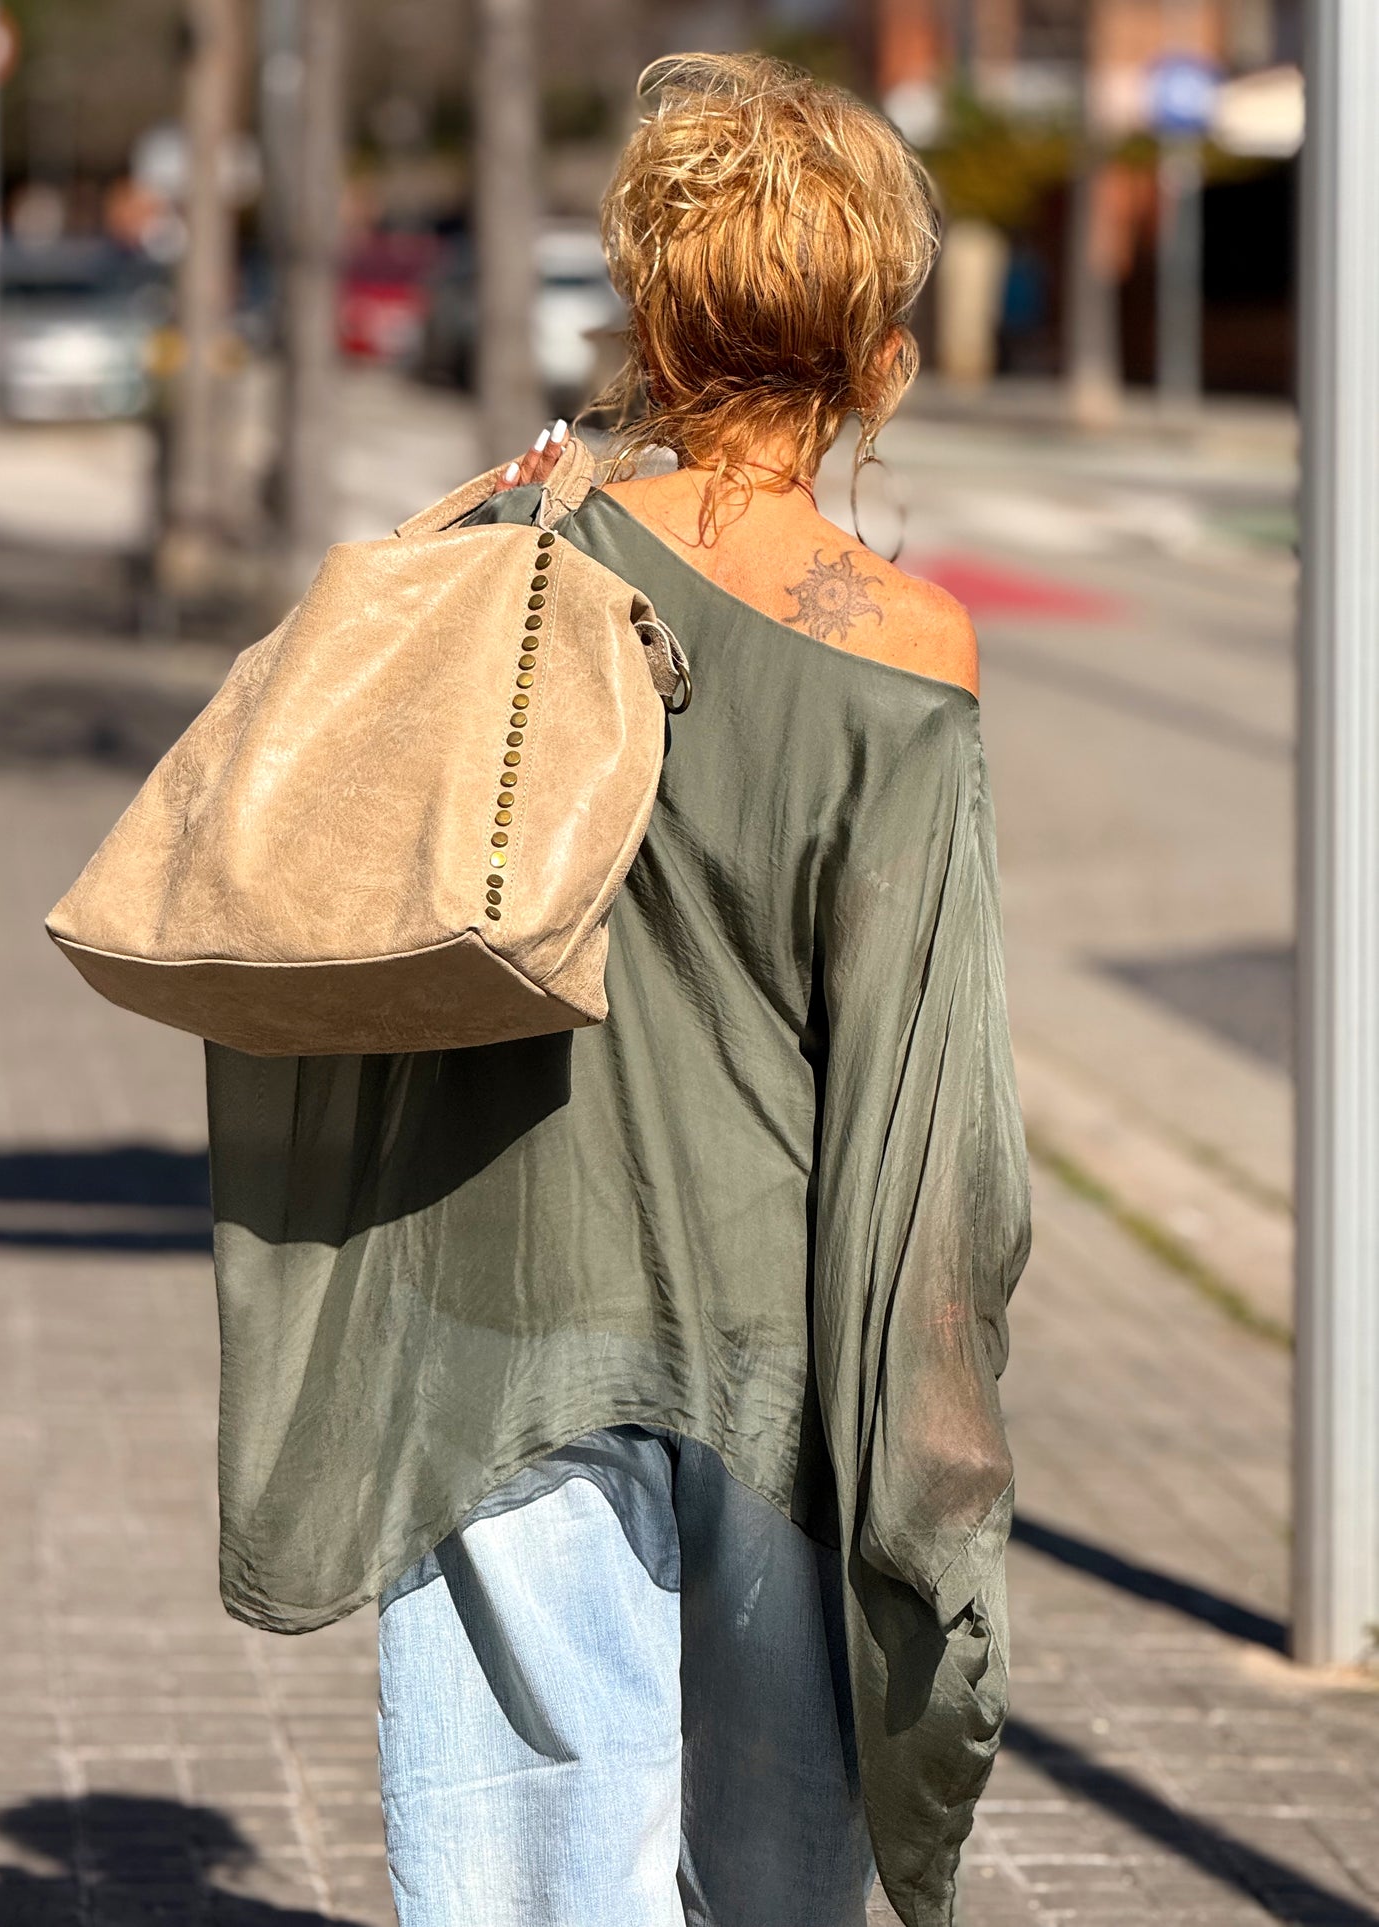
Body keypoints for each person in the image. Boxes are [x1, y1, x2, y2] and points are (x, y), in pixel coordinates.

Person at [203, 52, 1030, 1927]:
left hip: (490, 1304)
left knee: (525, 1888)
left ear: (647, 309)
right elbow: (923, 1102)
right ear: (873, 349)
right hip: (773, 1348)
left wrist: (477, 529)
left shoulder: (510, 543)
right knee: (771, 1884)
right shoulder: (900, 652)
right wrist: (935, 1459)